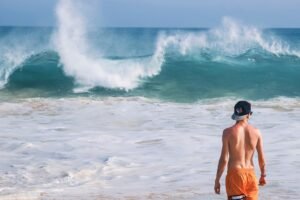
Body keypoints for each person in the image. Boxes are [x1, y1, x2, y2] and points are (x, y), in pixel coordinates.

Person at [214, 101, 266, 200]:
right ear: (249, 115)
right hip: (251, 175)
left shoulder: (227, 133)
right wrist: (263, 175)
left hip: (235, 175)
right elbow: (261, 157)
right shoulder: (257, 132)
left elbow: (224, 159)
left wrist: (217, 180)